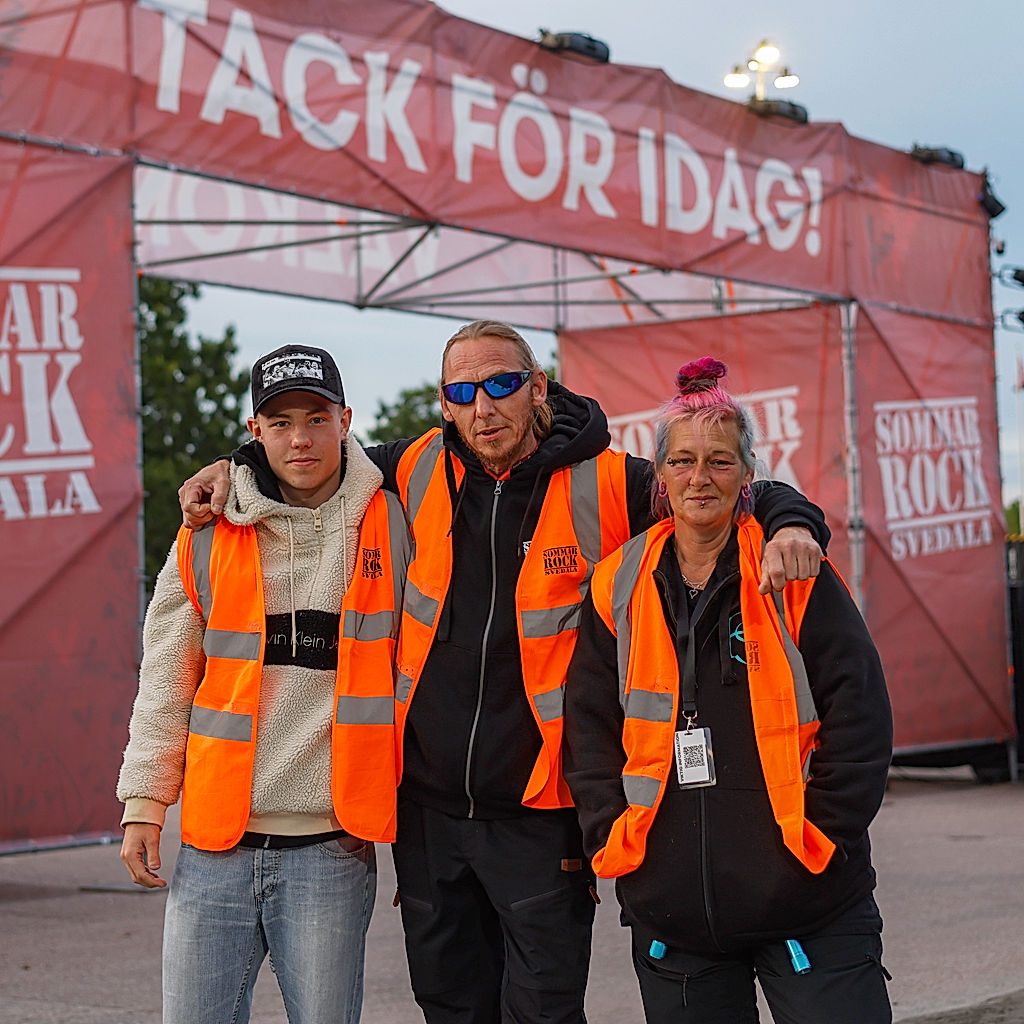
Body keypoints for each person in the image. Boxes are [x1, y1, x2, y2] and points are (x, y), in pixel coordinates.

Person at [178, 322, 831, 1024]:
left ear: (538, 387)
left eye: (501, 385)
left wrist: (795, 522)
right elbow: (306, 451)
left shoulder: (610, 481)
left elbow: (713, 486)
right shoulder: (410, 467)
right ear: (445, 403)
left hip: (540, 816)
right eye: (463, 392)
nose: (483, 407)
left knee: (542, 1013)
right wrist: (233, 462)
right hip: (429, 814)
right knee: (450, 1008)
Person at [563, 357, 893, 1024]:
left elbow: (861, 717)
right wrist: (618, 842)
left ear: (748, 475)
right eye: (682, 461)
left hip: (809, 903)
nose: (699, 477)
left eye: (719, 461)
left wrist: (820, 842)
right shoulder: (616, 584)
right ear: (660, 476)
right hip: (673, 913)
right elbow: (589, 727)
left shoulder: (792, 568)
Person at [117, 344, 410, 1024]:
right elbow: (165, 676)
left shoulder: (395, 524)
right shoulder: (205, 535)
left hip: (332, 853)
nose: (300, 437)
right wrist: (144, 800)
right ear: (254, 431)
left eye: (316, 417)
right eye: (280, 423)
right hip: (216, 849)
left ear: (346, 420)